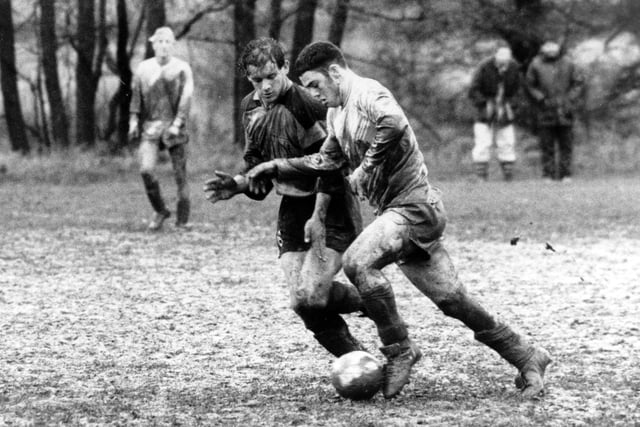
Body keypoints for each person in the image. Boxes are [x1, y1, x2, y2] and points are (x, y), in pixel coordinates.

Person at [247, 41, 551, 400]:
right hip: (396, 215)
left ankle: (399, 350)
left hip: (415, 207)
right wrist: (276, 166)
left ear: (334, 72)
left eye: (315, 84)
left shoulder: (367, 93)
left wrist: (366, 167)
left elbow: (393, 125)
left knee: (357, 261)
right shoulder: (335, 114)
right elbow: (323, 161)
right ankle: (527, 355)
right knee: (453, 300)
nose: (312, 93)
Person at [202, 38, 366, 358]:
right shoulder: (250, 108)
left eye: (270, 77)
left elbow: (331, 164)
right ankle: (356, 361)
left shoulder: (308, 104)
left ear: (285, 68)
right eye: (256, 80)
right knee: (301, 301)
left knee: (313, 295)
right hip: (292, 204)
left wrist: (318, 216)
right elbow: (256, 162)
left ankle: (374, 299)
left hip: (329, 202)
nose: (264, 86)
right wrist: (239, 182)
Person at [129, 26, 194, 231]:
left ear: (173, 45)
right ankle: (160, 210)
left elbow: (186, 98)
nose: (164, 46)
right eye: (160, 42)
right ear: (153, 44)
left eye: (168, 42)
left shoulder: (182, 68)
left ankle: (182, 221)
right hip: (150, 128)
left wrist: (177, 123)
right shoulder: (143, 68)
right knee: (146, 170)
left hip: (175, 128)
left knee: (180, 175)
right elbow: (136, 97)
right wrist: (133, 120)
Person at [525, 40, 585, 182]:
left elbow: (578, 83)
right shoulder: (536, 64)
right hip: (545, 110)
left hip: (565, 110)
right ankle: (548, 175)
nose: (552, 51)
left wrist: (570, 98)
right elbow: (529, 85)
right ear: (543, 49)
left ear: (558, 49)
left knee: (566, 145)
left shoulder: (569, 63)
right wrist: (541, 98)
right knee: (547, 145)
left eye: (554, 48)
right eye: (548, 48)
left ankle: (566, 174)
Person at [468, 46, 521, 181]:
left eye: (507, 58)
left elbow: (517, 90)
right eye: (501, 57)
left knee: (507, 141)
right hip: (484, 109)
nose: (504, 61)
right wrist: (485, 103)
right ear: (495, 55)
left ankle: (508, 175)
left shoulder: (513, 67)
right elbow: (473, 89)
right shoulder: (484, 67)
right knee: (482, 142)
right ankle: (481, 176)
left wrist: (511, 104)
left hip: (505, 109)